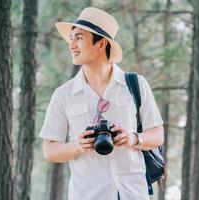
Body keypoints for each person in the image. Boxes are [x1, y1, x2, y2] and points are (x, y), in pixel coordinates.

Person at [39, 7, 164, 200]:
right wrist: (78, 147)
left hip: (133, 193)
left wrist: (133, 138)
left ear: (101, 43)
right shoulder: (63, 94)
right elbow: (49, 150)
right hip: (87, 194)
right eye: (70, 38)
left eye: (79, 38)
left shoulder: (136, 84)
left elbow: (157, 135)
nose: (71, 44)